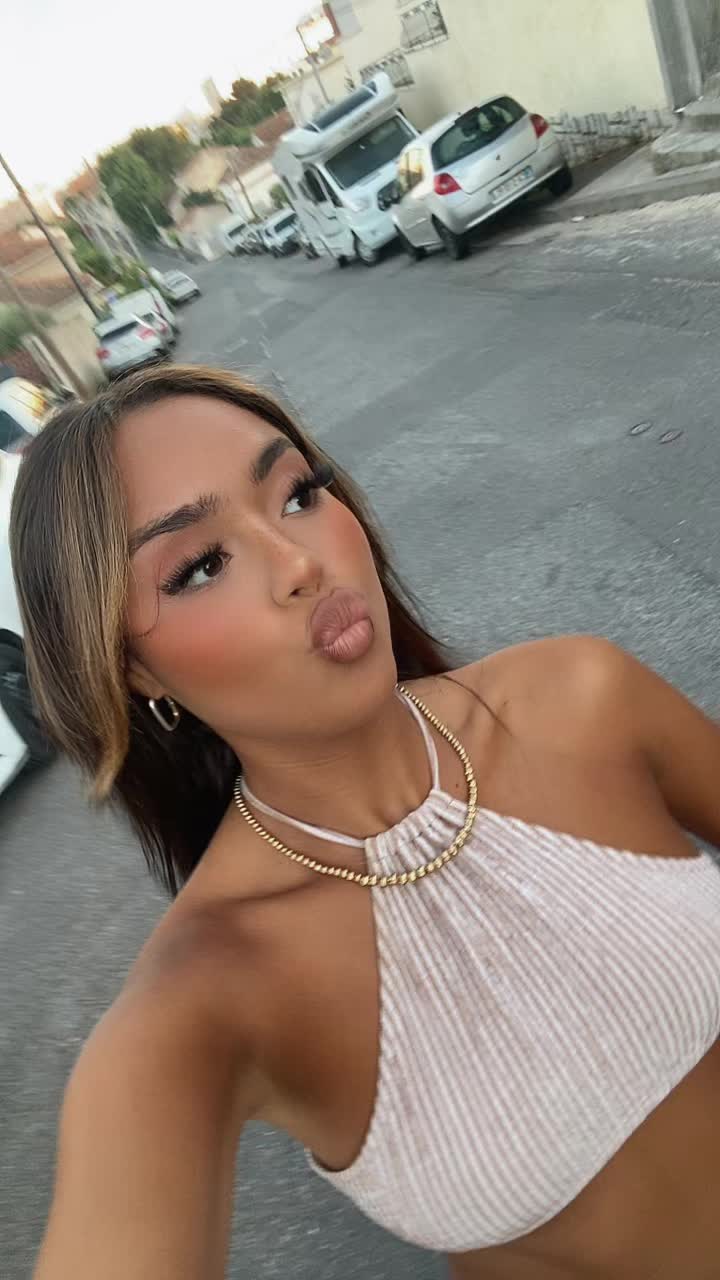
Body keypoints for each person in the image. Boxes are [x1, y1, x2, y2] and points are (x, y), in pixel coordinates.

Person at [11, 363, 720, 1280]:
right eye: (200, 566)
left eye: (298, 493)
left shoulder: (583, 696)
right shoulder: (203, 1005)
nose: (301, 563)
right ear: (133, 671)